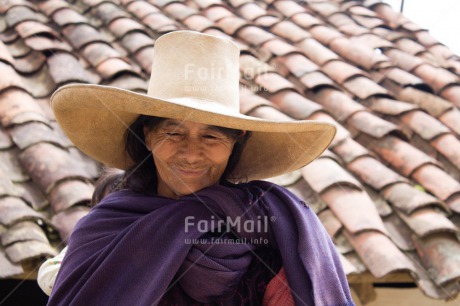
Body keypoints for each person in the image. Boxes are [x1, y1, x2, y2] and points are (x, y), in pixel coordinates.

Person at [44, 30, 354, 305]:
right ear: (148, 136)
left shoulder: (271, 227)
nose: (191, 154)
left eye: (211, 135)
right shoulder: (109, 229)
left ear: (237, 141)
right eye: (173, 133)